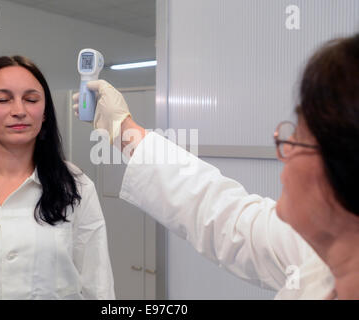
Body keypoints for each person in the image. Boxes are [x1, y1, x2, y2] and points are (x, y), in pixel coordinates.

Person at [73, 34, 359, 299]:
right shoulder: (316, 257)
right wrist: (123, 129)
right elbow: (221, 214)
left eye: (299, 138)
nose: (284, 153)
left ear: (345, 165)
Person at [0, 56, 115, 299]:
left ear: (45, 112)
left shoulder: (75, 185)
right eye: (3, 99)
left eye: (31, 99)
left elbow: (97, 285)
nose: (19, 111)